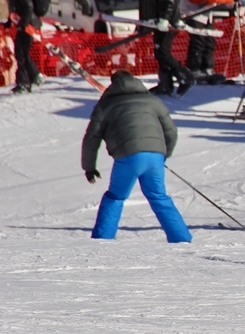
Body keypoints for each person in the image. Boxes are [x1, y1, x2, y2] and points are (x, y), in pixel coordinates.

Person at [82, 70, 192, 243]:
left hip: (129, 156)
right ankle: (181, 238)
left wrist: (89, 167)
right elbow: (171, 130)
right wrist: (164, 154)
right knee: (158, 196)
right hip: (155, 155)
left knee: (115, 197)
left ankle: (102, 239)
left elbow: (91, 138)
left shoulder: (106, 105)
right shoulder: (153, 101)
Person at [142, 0, 193, 97]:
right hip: (157, 23)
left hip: (167, 24)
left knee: (164, 53)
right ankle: (165, 84)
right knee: (159, 53)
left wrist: (164, 20)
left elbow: (169, 3)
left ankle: (186, 77)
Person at [180, 0, 235, 82]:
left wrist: (232, 2)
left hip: (206, 9)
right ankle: (193, 69)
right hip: (192, 9)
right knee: (198, 39)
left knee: (210, 39)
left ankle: (207, 67)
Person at [0, 0, 44, 95]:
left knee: (20, 53)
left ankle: (23, 83)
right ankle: (35, 76)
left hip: (29, 25)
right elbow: (16, 8)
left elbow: (28, 7)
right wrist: (10, 21)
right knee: (22, 52)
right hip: (25, 23)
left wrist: (24, 23)